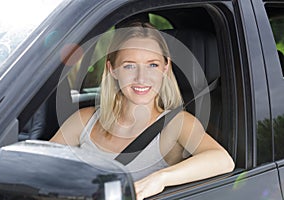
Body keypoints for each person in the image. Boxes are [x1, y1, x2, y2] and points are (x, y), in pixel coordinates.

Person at [50, 22, 235, 200]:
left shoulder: (176, 123)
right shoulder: (83, 120)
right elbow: (36, 166)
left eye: (152, 65)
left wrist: (159, 179)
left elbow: (222, 160)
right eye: (129, 65)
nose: (141, 77)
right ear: (112, 69)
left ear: (165, 67)